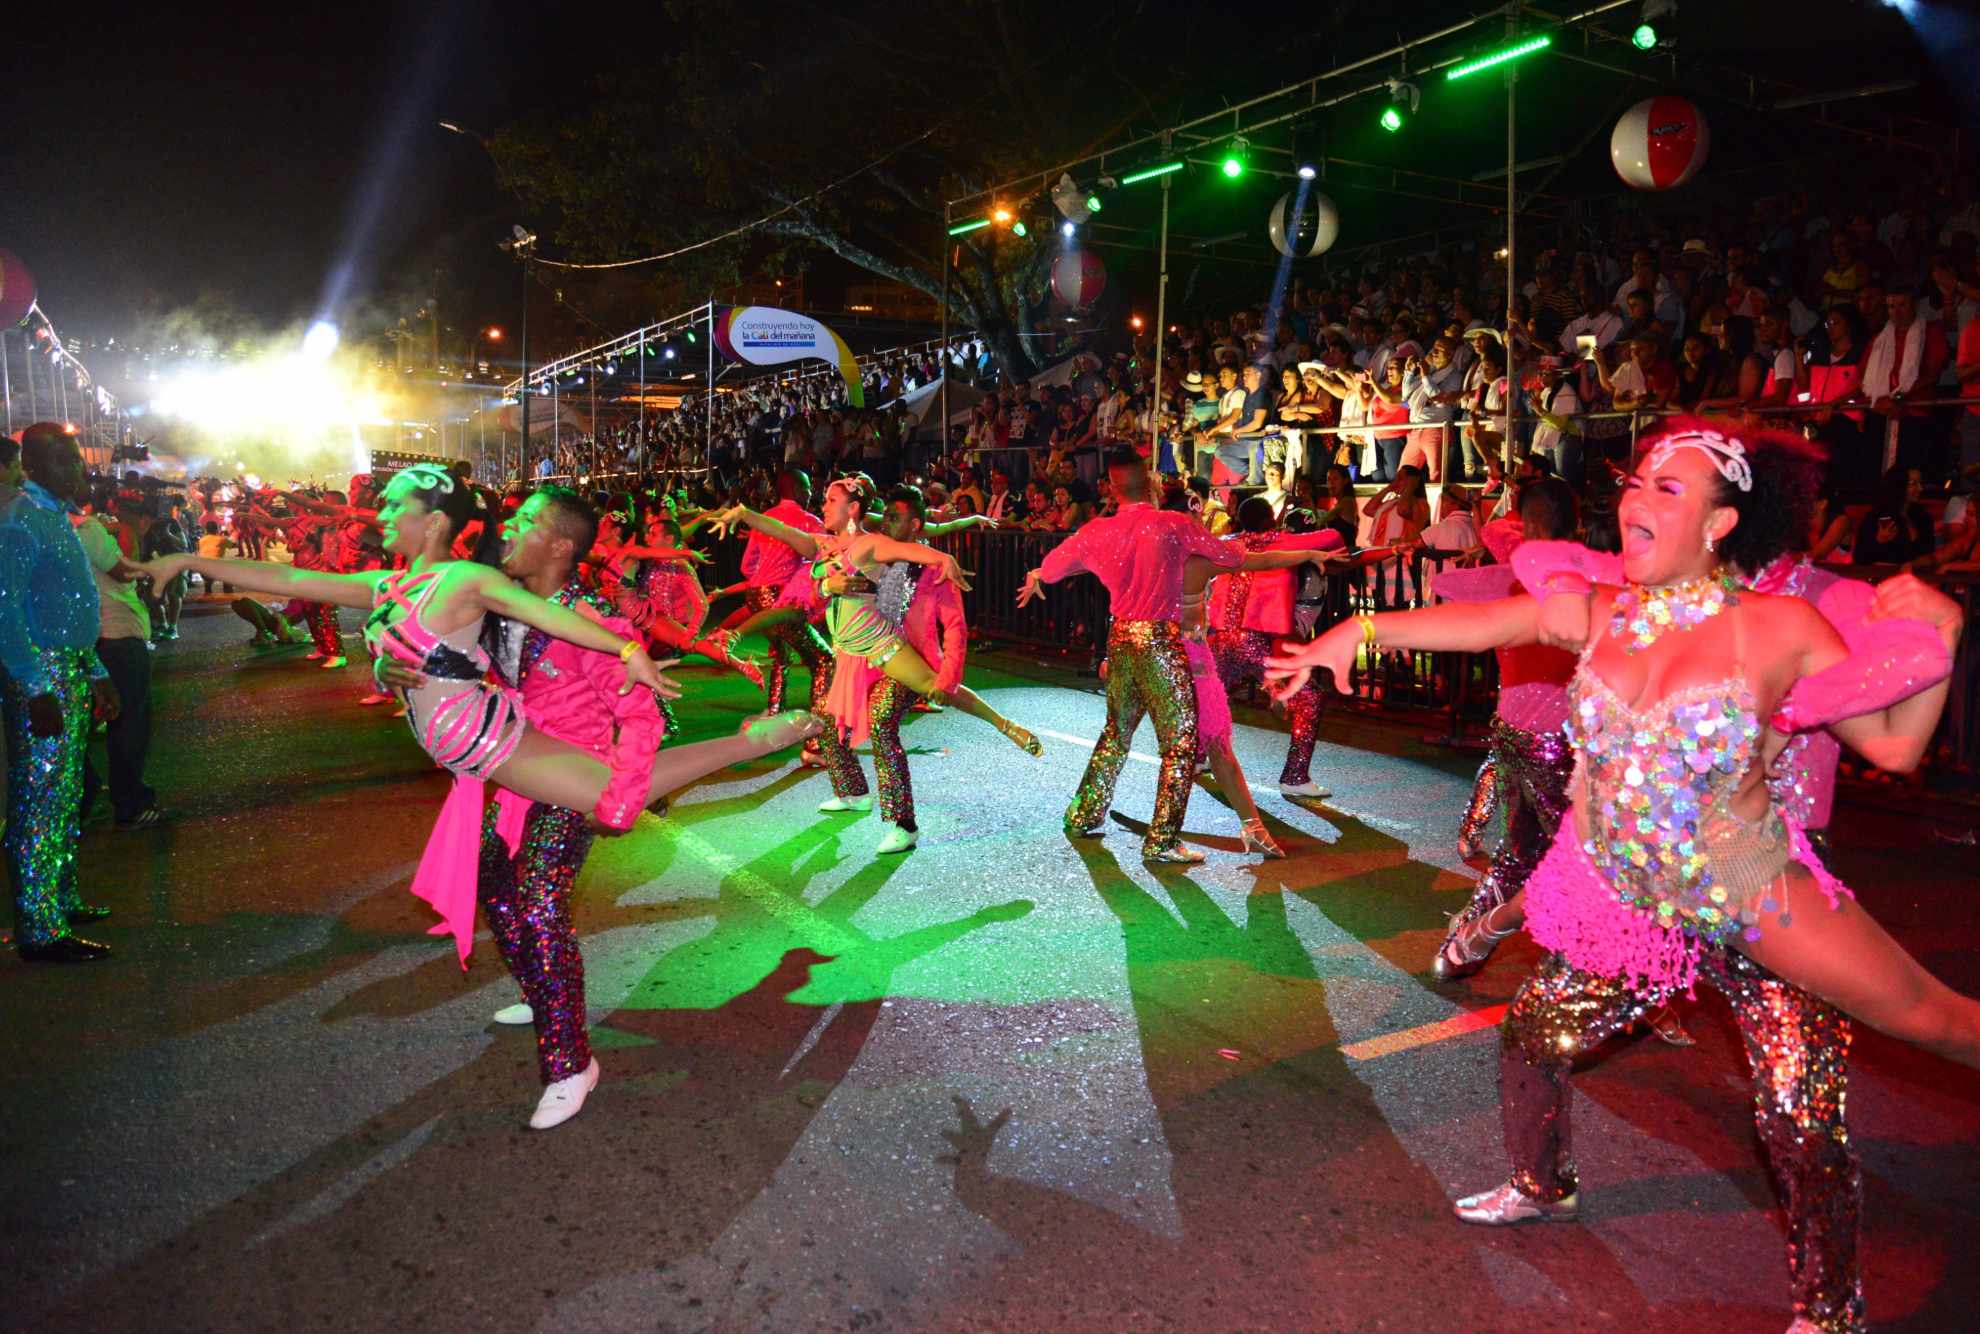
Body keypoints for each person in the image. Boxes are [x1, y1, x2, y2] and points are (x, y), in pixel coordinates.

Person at [1265, 420, 1975, 1333]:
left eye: (1668, 491)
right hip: (1636, 906)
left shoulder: (1776, 626)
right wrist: (1351, 636)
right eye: (1636, 482)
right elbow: (1488, 622)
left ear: (1722, 524)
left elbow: (1895, 744)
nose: (1636, 501)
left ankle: (1831, 1311)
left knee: (1850, 1078)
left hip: (1751, 893)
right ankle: (1541, 1185)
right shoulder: (1607, 611)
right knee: (1533, 1032)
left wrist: (1942, 629)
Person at [142, 463, 821, 962]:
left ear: (432, 520)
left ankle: (751, 740)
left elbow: (544, 615)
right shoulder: (389, 584)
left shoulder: (470, 580)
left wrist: (627, 649)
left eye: (393, 507)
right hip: (473, 750)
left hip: (498, 744)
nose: (380, 517)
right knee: (501, 878)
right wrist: (180, 558)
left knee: (616, 799)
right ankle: (539, 975)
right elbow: (290, 579)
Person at [383, 486, 664, 1130]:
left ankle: (570, 1062)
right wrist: (391, 671)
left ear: (560, 545)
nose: (507, 526)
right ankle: (545, 990)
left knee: (538, 899)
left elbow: (643, 714)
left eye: (525, 521)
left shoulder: (591, 622)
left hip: (570, 775)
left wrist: (616, 801)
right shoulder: (495, 606)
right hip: (510, 764)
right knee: (494, 883)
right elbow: (429, 647)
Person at [711, 476, 1041, 802]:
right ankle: (852, 795)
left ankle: (1003, 724)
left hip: (880, 646)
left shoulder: (870, 543)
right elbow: (785, 534)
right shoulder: (823, 545)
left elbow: (908, 549)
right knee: (830, 721)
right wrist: (742, 513)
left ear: (853, 508)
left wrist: (944, 558)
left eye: (831, 501)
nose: (823, 507)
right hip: (847, 653)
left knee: (935, 688)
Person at [1017, 452, 1242, 863]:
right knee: (1179, 742)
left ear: (1111, 488)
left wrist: (1036, 577)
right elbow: (1231, 556)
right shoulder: (1173, 524)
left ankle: (1084, 814)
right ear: (1153, 486)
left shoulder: (1097, 530)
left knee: (1117, 733)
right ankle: (1162, 840)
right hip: (1159, 639)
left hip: (1120, 637)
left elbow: (1051, 567)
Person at [0, 424, 121, 961]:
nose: (77, 470)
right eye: (64, 460)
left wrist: (95, 671)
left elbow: (68, 604)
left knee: (67, 792)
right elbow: (6, 611)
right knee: (40, 800)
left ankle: (59, 898)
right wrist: (34, 687)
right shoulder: (21, 519)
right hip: (43, 673)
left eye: (75, 459)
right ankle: (39, 929)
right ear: (32, 465)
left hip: (69, 666)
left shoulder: (54, 515)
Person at [1205, 496, 1348, 802]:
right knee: (1309, 699)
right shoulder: (1282, 542)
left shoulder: (1225, 542)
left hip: (1217, 640)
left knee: (1205, 700)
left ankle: (1197, 757)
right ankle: (1295, 777)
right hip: (1254, 643)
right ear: (1271, 519)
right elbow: (1333, 537)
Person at [76, 488, 166, 831]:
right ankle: (130, 804)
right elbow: (122, 572)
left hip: (87, 636)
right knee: (128, 722)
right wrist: (154, 565)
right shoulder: (87, 529)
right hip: (115, 633)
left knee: (79, 724)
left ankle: (85, 794)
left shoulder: (48, 523)